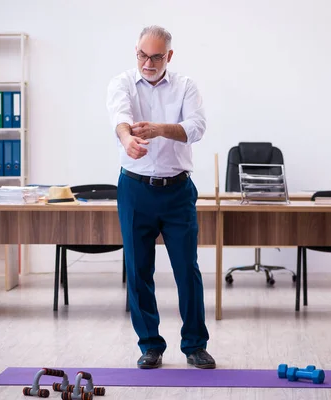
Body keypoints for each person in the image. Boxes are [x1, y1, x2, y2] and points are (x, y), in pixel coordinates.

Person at [106, 25, 215, 370]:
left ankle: (195, 345)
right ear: (135, 51)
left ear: (169, 56)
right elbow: (120, 118)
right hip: (135, 189)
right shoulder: (122, 82)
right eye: (142, 55)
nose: (148, 63)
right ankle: (150, 345)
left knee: (187, 270)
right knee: (139, 270)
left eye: (155, 56)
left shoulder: (186, 86)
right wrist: (127, 140)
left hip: (178, 191)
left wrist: (159, 129)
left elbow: (196, 128)